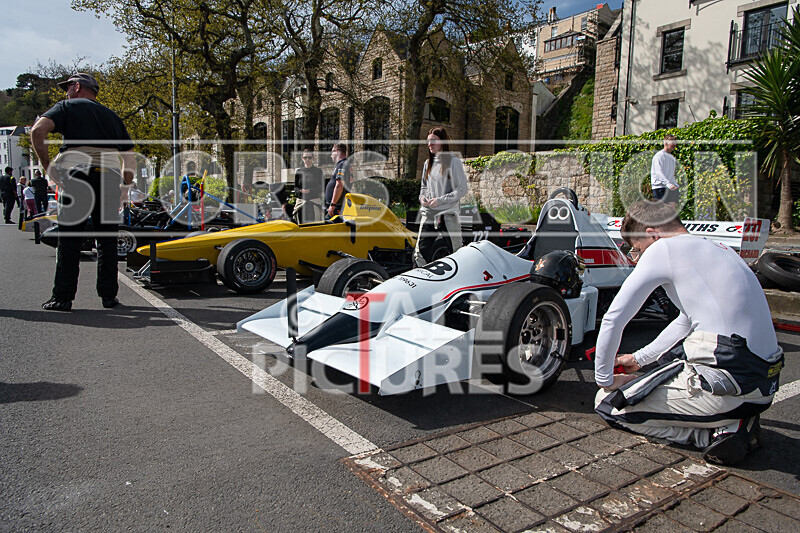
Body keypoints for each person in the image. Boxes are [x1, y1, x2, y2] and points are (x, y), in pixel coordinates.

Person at [593, 201, 783, 465]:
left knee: (607, 403)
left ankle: (716, 434)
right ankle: (733, 420)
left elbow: (614, 318)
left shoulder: (663, 249)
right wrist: (637, 360)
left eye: (638, 249)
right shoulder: (719, 248)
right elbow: (685, 321)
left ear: (652, 234)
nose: (637, 258)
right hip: (762, 384)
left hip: (726, 388)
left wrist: (603, 378)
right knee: (661, 370)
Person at [30, 72, 135, 311]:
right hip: (109, 177)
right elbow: (128, 157)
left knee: (69, 238)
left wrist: (48, 167)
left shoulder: (67, 106)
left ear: (77, 87)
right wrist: (124, 189)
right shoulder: (112, 116)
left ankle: (63, 297)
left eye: (68, 87)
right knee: (107, 240)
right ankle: (109, 296)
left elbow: (38, 131)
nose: (65, 91)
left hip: (77, 174)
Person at [412, 127, 468, 267]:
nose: (429, 144)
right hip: (429, 214)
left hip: (448, 214)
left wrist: (440, 201)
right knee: (419, 253)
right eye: (428, 141)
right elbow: (424, 187)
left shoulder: (454, 162)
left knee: (457, 252)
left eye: (433, 141)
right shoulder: (427, 163)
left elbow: (462, 189)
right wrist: (422, 198)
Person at [294, 149, 324, 223]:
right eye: (305, 157)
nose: (307, 159)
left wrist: (310, 190)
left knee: (314, 226)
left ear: (313, 158)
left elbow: (322, 187)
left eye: (309, 158)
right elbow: (295, 187)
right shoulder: (299, 171)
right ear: (302, 158)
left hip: (314, 202)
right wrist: (300, 191)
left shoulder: (318, 171)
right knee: (300, 225)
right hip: (301, 203)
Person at [650, 134, 679, 208]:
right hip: (660, 188)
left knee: (672, 212)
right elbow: (659, 173)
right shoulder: (659, 156)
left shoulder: (672, 158)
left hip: (671, 187)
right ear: (665, 143)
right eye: (672, 143)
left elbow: (671, 174)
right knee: (661, 213)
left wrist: (675, 184)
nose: (674, 145)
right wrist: (669, 184)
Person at [325, 142, 352, 219]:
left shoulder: (342, 165)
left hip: (337, 207)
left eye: (332, 152)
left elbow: (339, 186)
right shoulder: (345, 164)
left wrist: (332, 205)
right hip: (338, 205)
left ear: (336, 151)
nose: (331, 156)